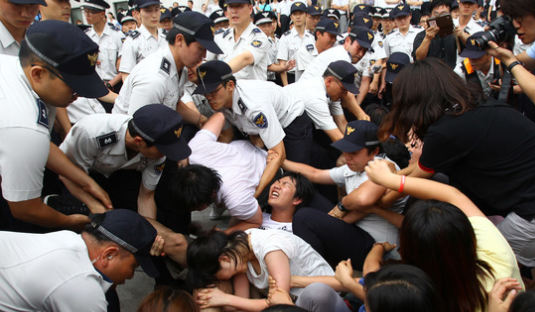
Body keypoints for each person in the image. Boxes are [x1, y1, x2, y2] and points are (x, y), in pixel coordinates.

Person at [379, 58, 535, 284]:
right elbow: (419, 168)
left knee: (480, 271)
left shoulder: (445, 131)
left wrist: (379, 196)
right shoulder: (475, 106)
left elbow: (418, 178)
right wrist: (392, 178)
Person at [366, 159, 524, 312]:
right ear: (468, 232)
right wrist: (390, 179)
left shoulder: (419, 299)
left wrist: (376, 249)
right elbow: (453, 195)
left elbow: (376, 289)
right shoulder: (495, 252)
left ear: (409, 250)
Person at [0, 20, 112, 231]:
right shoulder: (22, 123)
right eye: (74, 86)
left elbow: (42, 144)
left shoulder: (22, 73)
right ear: (38, 74)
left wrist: (88, 183)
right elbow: (24, 208)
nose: (78, 95)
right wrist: (70, 223)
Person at [284, 120, 407, 269]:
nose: (347, 157)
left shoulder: (385, 168)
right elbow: (315, 174)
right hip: (355, 230)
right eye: (345, 151)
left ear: (374, 152)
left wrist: (337, 211)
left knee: (304, 217)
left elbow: (363, 200)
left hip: (375, 245)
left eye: (354, 153)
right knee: (307, 195)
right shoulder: (355, 166)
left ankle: (317, 272)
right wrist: (280, 161)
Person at [0, 209, 158, 311]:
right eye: (133, 266)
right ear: (109, 254)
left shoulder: (69, 239)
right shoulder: (81, 286)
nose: (130, 275)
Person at [193, 61, 310, 194]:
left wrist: (254, 194)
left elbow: (279, 154)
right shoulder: (218, 100)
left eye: (213, 91)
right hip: (260, 128)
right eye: (205, 93)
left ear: (230, 85)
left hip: (291, 121)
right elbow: (228, 135)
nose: (208, 97)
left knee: (296, 180)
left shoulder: (254, 107)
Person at [58, 104, 192, 219]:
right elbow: (66, 174)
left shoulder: (158, 148)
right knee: (84, 216)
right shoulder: (91, 132)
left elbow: (146, 197)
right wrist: (93, 205)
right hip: (81, 176)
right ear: (139, 141)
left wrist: (149, 233)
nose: (166, 155)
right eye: (163, 150)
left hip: (120, 176)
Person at [186, 229, 336, 311]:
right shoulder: (239, 255)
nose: (220, 279)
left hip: (320, 301)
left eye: (215, 275)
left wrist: (225, 298)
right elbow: (240, 304)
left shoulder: (270, 249)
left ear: (224, 259)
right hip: (292, 302)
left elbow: (280, 304)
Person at [113, 11, 222, 121]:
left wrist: (200, 120)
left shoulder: (180, 67)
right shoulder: (154, 79)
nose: (204, 56)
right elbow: (137, 128)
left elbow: (174, 102)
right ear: (179, 40)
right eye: (200, 49)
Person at [486, 0, 535, 113]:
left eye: (520, 16)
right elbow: (520, 62)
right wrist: (502, 44)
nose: (516, 25)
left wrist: (509, 60)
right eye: (512, 17)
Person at [300, 26, 375, 122]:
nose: (361, 54)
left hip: (315, 102)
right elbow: (348, 95)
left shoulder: (340, 53)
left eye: (364, 51)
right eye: (359, 48)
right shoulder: (342, 57)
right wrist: (361, 114)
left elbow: (338, 103)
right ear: (347, 41)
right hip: (306, 104)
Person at [206, 0, 270, 80]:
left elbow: (246, 59)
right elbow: (207, 61)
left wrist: (217, 76)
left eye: (239, 6)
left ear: (250, 9)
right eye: (230, 6)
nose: (234, 11)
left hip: (250, 91)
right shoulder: (220, 37)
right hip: (226, 91)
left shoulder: (259, 37)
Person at [82, 0, 125, 94]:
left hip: (116, 86)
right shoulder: (86, 36)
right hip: (95, 85)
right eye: (85, 11)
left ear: (102, 14)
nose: (87, 15)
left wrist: (110, 84)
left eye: (91, 12)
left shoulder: (117, 35)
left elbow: (125, 65)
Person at [119, 0, 166, 80]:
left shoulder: (167, 37)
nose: (154, 15)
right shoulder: (132, 41)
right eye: (148, 11)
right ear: (136, 14)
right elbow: (126, 76)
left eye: (157, 9)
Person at [413, 0, 458, 69]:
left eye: (443, 14)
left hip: (450, 75)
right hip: (429, 75)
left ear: (450, 14)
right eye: (436, 14)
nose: (439, 17)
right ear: (430, 15)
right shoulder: (421, 35)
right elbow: (418, 59)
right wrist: (427, 39)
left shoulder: (456, 33)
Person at [277, 2, 313, 85]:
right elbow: (282, 66)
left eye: (301, 13)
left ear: (306, 15)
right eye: (295, 14)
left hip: (310, 78)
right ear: (291, 17)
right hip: (292, 79)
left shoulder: (312, 37)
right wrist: (287, 88)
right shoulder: (285, 38)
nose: (298, 17)